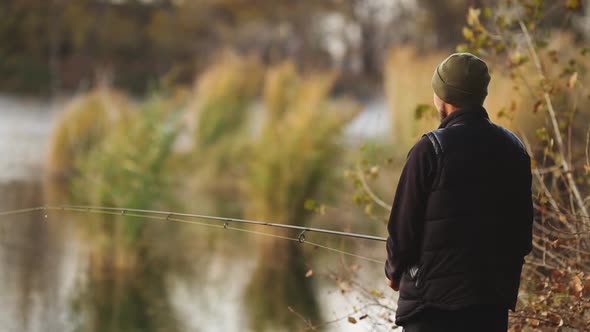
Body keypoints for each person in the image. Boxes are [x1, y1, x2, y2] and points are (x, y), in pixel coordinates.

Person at [384, 53, 533, 332]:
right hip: (490, 309)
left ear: (443, 97)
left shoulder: (429, 149)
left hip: (430, 312)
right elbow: (522, 237)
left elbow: (402, 231)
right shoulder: (515, 149)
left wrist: (393, 273)